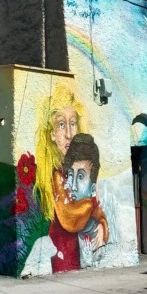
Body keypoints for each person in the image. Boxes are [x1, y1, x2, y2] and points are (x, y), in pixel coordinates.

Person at [34, 85, 108, 272]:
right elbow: (70, 218)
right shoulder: (56, 173)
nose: (69, 133)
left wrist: (102, 225)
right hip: (62, 254)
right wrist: (92, 209)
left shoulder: (79, 167)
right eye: (61, 125)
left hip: (80, 252)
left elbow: (97, 207)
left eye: (73, 123)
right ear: (52, 134)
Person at [61, 134, 108, 253]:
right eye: (70, 175)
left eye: (80, 177)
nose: (73, 186)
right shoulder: (59, 214)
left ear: (92, 189)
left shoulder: (97, 233)